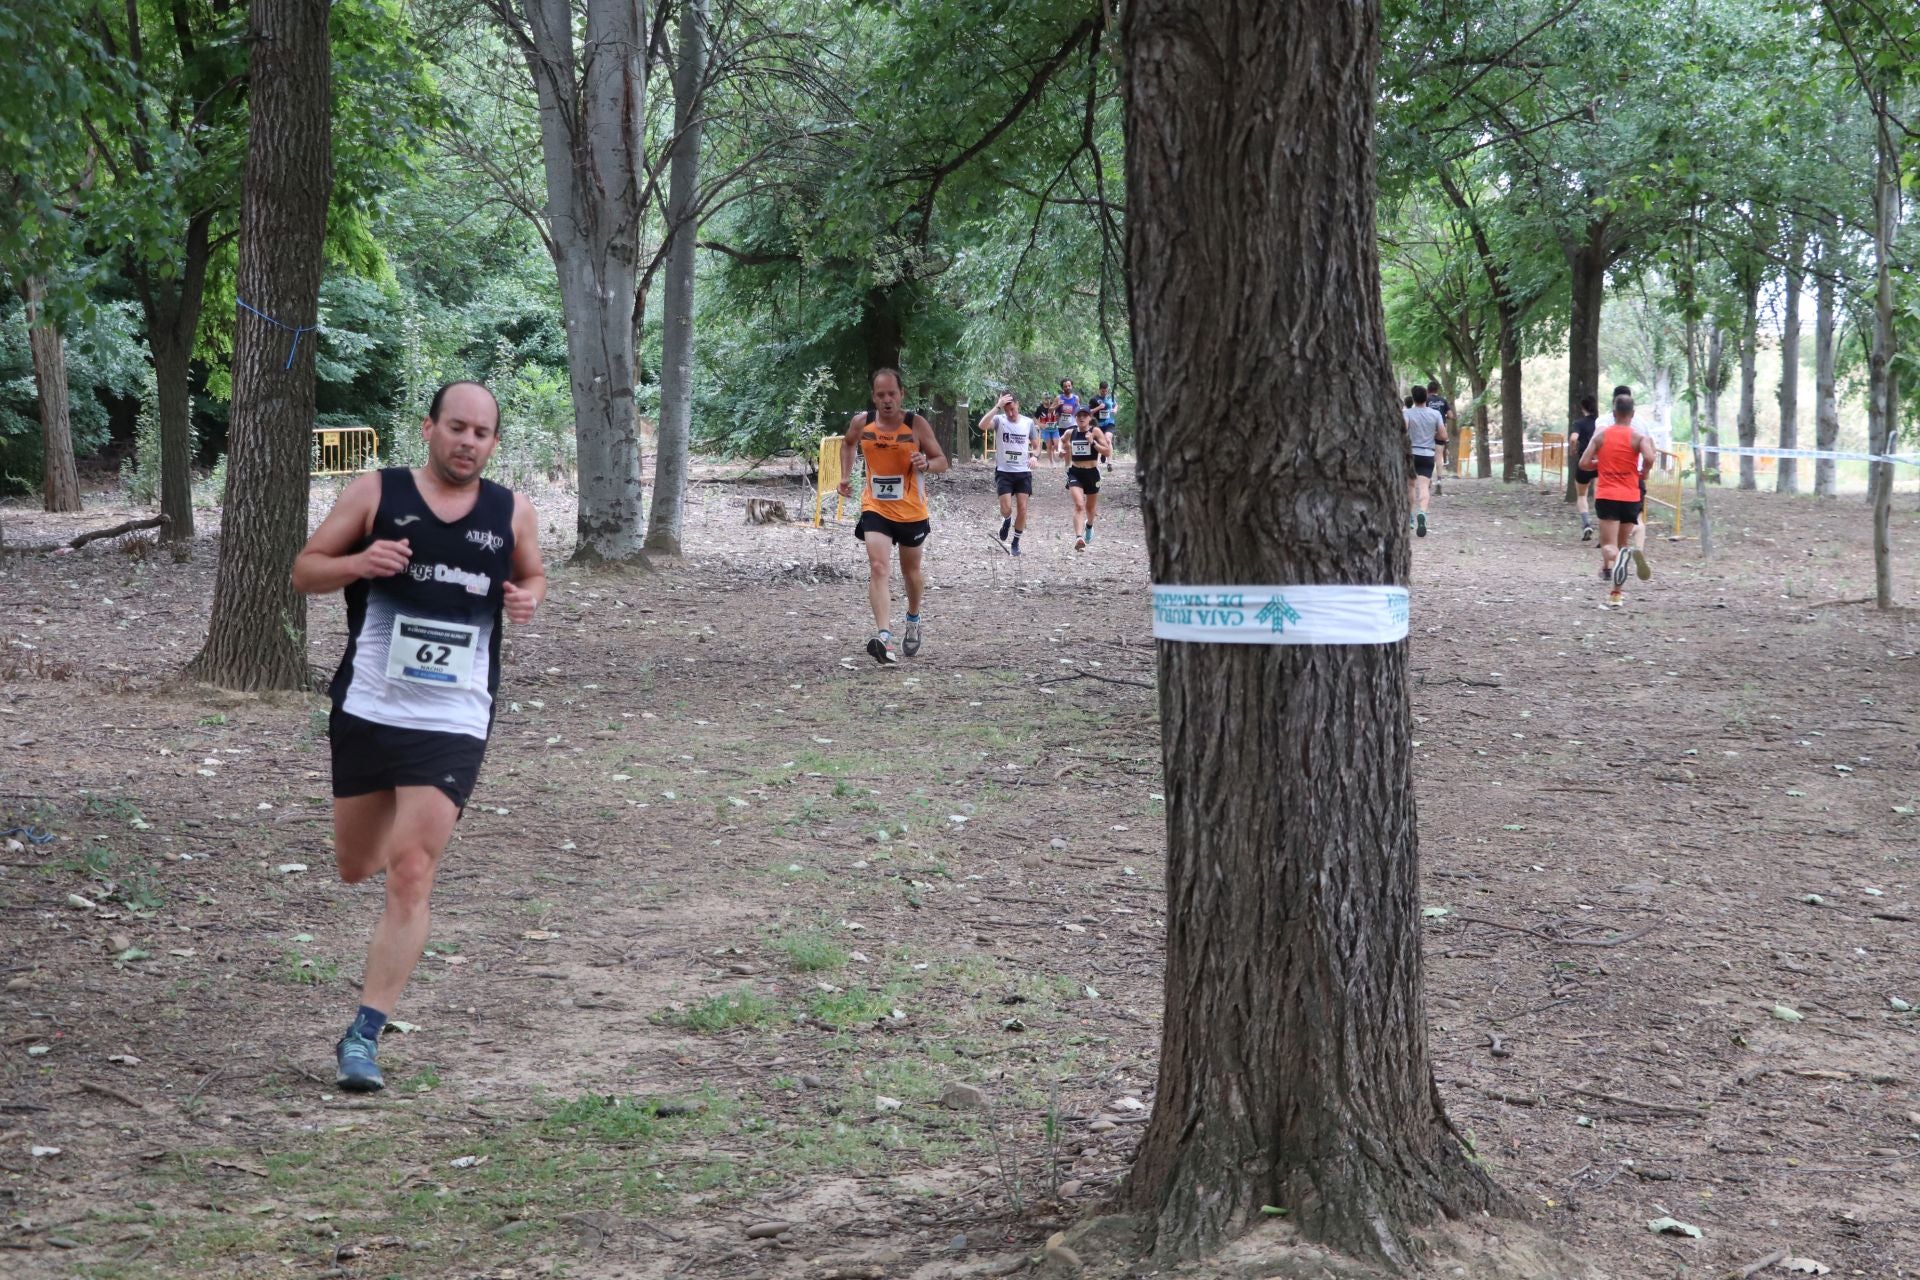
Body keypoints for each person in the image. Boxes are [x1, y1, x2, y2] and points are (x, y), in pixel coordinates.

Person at [291, 381, 546, 1092]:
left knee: (411, 871)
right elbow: (303, 570)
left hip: (454, 717)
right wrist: (356, 565)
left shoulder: (511, 511)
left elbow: (532, 574)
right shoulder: (377, 492)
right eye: (457, 427)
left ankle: (364, 1036)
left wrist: (529, 598)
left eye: (482, 433)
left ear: (494, 443)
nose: (468, 441)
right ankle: (368, 1004)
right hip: (370, 706)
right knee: (356, 864)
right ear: (429, 427)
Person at [838, 367, 949, 663]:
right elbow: (847, 444)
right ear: (874, 397)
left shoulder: (916, 425)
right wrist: (846, 476)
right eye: (881, 394)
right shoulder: (862, 423)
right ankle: (884, 637)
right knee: (878, 566)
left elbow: (942, 461)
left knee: (910, 572)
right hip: (876, 507)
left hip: (911, 510)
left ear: (902, 395)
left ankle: (913, 619)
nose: (887, 400)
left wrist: (926, 462)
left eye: (892, 394)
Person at [1577, 391, 1655, 608]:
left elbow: (1583, 463)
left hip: (1608, 495)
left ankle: (1624, 558)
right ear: (1632, 414)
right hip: (1631, 496)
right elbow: (1649, 457)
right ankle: (1616, 594)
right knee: (1622, 544)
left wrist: (1598, 464)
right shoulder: (1639, 437)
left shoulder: (1601, 434)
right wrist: (1644, 472)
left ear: (1614, 413)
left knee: (1609, 546)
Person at [978, 391, 1034, 556]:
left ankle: (1015, 542)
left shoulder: (1028, 422)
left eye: (1013, 409)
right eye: (1007, 409)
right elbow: (982, 425)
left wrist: (1035, 456)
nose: (1010, 413)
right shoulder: (998, 420)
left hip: (1023, 472)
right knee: (1006, 508)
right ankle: (1007, 520)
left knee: (1023, 509)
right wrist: (997, 406)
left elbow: (1037, 445)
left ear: (1018, 405)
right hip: (1004, 472)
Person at [1063, 404, 1110, 550]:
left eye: (1085, 415)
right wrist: (1060, 450)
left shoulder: (1095, 431)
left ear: (1090, 418)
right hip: (1075, 472)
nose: (1082, 418)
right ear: (1075, 418)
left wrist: (1093, 442)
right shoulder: (1071, 432)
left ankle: (1089, 526)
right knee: (1079, 505)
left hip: (1092, 473)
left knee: (1090, 508)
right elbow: (1062, 441)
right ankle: (1079, 538)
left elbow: (1107, 452)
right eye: (1079, 415)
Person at [1404, 384, 1445, 537]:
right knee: (1424, 487)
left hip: (1411, 454)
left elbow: (1403, 429)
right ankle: (1422, 512)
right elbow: (1443, 436)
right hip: (1427, 454)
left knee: (1410, 486)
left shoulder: (1407, 413)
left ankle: (1409, 518)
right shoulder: (1435, 414)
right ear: (1426, 397)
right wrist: (1431, 435)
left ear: (1413, 398)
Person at [1569, 392, 1600, 540]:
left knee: (1582, 495)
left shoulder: (1579, 423)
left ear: (1583, 407)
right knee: (1602, 495)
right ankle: (1606, 528)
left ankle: (1587, 523)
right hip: (1601, 463)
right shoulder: (1602, 422)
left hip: (1585, 463)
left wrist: (1573, 449)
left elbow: (1574, 438)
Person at [1425, 379, 1453, 495]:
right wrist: (1444, 415)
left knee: (1428, 456)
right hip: (1441, 432)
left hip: (1428, 432)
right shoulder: (1443, 400)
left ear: (1428, 390)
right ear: (1437, 390)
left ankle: (1428, 480)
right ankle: (1439, 481)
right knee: (1439, 457)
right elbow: (1451, 415)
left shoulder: (1426, 400)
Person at [1094, 381, 1118, 474]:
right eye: (1103, 391)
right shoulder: (1095, 399)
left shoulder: (1110, 397)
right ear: (1099, 389)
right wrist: (1098, 408)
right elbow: (1090, 410)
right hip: (1099, 424)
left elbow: (1115, 404)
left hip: (1109, 423)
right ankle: (1098, 463)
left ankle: (1109, 463)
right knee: (1100, 441)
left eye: (1106, 391)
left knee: (1108, 439)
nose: (1104, 393)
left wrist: (1115, 409)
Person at [1035, 393, 1062, 467]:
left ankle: (1053, 453)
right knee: (1049, 446)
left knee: (1056, 445)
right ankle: (1051, 462)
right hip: (1046, 430)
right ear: (1042, 399)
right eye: (1045, 398)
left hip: (1054, 429)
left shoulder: (1054, 406)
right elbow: (1035, 418)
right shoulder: (1040, 408)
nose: (1047, 400)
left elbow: (1059, 414)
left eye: (1049, 398)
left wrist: (1057, 419)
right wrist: (1040, 425)